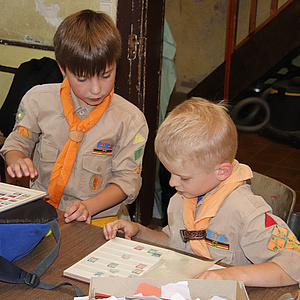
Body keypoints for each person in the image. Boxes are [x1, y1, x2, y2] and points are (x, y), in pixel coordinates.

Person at [103, 97, 300, 287]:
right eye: (170, 174)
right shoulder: (183, 197)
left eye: (184, 177)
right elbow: (175, 240)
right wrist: (140, 232)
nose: (172, 183)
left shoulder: (245, 212)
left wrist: (231, 274)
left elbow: (295, 263)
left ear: (221, 172)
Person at [0, 10, 148, 226]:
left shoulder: (130, 120)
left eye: (106, 75)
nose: (96, 89)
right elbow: (17, 142)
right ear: (63, 68)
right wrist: (17, 161)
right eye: (82, 79)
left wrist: (89, 207)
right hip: (42, 213)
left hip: (100, 220)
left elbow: (126, 181)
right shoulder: (38, 100)